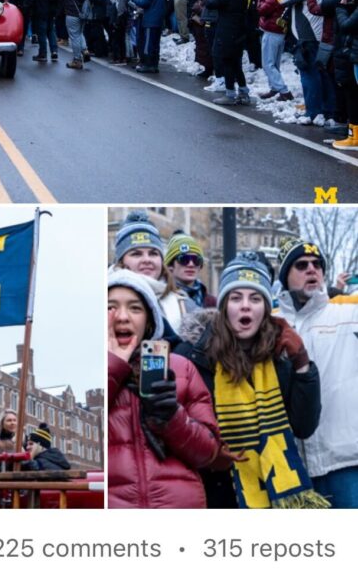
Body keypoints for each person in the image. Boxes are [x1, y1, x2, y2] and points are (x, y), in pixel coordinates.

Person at [176, 252, 323, 508]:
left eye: (255, 298)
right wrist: (208, 453)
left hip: (275, 494)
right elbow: (175, 429)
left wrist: (302, 364)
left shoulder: (280, 355)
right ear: (224, 307)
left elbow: (304, 426)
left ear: (265, 308)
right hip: (214, 492)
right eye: (236, 298)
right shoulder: (192, 356)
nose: (245, 305)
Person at [108, 269, 224, 508]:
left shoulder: (181, 368)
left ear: (150, 319)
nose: (122, 317)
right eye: (110, 307)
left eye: (135, 308)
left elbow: (208, 453)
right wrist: (114, 367)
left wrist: (173, 418)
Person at [276, 237, 358, 507]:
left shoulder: (348, 310)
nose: (312, 269)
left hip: (346, 464)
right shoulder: (270, 321)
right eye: (301, 265)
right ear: (286, 275)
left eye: (317, 265)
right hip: (293, 471)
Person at [112, 211, 192, 341]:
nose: (147, 259)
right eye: (136, 254)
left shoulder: (183, 302)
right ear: (122, 261)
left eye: (153, 253)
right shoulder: (104, 297)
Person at [205, 0, 252, 106]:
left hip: (227, 32)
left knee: (227, 62)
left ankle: (230, 94)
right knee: (236, 63)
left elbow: (210, 3)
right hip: (238, 32)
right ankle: (243, 92)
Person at [165, 233, 216, 308]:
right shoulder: (161, 298)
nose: (191, 264)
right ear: (170, 266)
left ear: (200, 266)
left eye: (196, 260)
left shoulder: (213, 303)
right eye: (184, 259)